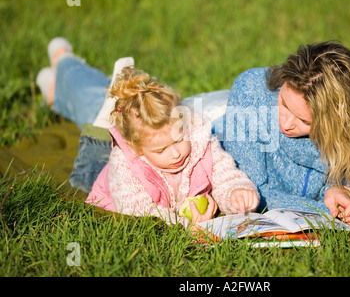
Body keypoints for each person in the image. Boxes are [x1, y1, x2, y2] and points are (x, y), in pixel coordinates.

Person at [36, 38, 259, 229]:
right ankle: (64, 60)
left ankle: (55, 91)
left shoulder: (199, 138)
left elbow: (224, 172)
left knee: (93, 102)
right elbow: (139, 211)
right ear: (136, 148)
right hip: (107, 180)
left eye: (179, 139)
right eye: (161, 149)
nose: (175, 154)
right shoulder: (125, 165)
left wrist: (236, 193)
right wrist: (186, 224)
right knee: (86, 169)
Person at [212, 41, 350, 230]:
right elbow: (251, 191)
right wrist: (330, 213)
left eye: (305, 121)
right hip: (218, 133)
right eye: (284, 103)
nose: (286, 124)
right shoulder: (251, 92)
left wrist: (342, 194)